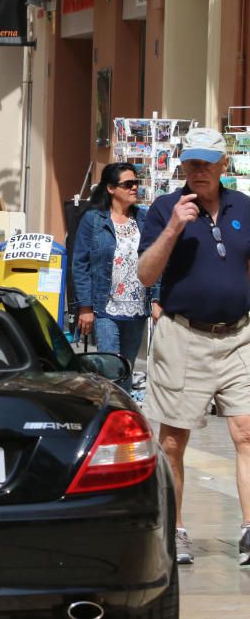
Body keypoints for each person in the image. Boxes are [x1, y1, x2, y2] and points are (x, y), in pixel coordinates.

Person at [136, 127, 250, 566]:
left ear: (224, 164)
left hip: (239, 335)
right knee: (172, 442)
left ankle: (248, 530)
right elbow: (146, 275)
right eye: (191, 163)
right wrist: (173, 228)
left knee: (245, 433)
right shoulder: (165, 208)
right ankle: (176, 529)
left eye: (206, 162)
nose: (198, 171)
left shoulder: (244, 208)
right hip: (184, 335)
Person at [73, 162, 160, 382]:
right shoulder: (93, 220)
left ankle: (124, 414)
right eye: (128, 184)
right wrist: (85, 306)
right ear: (111, 188)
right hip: (105, 308)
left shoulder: (144, 218)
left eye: (136, 183)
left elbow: (156, 260)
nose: (134, 188)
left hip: (137, 309)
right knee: (111, 367)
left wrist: (157, 299)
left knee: (127, 368)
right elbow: (80, 264)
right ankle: (110, 412)